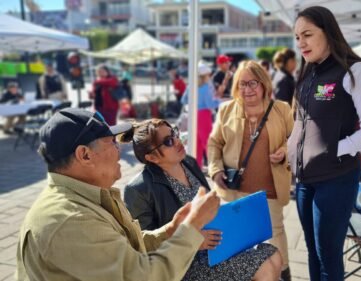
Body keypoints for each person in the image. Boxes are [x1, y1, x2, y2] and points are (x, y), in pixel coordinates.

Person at [16, 108, 221, 281]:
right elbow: (142, 276)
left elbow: (126, 247)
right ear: (84, 155)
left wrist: (170, 231)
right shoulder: (71, 219)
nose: (120, 151)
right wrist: (191, 230)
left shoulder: (86, 197)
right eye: (112, 143)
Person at [288, 6, 361, 281]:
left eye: (307, 34)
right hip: (305, 180)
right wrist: (290, 150)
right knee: (312, 252)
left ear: (328, 32)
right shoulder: (309, 73)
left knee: (329, 254)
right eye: (297, 37)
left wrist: (333, 151)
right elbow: (302, 122)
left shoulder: (357, 71)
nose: (300, 43)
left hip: (337, 177)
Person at [122, 118, 282, 281]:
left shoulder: (188, 162)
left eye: (175, 133)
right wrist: (192, 241)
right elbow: (142, 248)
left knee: (273, 254)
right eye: (169, 141)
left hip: (216, 247)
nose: (178, 141)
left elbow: (210, 204)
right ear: (152, 158)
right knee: (264, 267)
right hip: (184, 264)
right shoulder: (138, 189)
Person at [208, 60, 294, 281]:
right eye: (241, 84)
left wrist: (284, 151)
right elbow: (214, 143)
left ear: (264, 83)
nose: (247, 89)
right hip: (234, 191)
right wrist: (216, 170)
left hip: (270, 191)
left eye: (252, 83)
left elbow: (295, 141)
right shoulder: (227, 109)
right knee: (237, 242)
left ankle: (283, 274)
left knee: (275, 239)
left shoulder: (281, 109)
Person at [181, 62, 220, 167]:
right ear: (205, 75)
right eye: (208, 74)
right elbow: (210, 104)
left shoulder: (191, 86)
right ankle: (214, 166)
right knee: (207, 142)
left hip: (192, 114)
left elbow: (183, 100)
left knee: (196, 143)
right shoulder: (206, 87)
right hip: (203, 115)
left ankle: (197, 167)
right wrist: (220, 101)